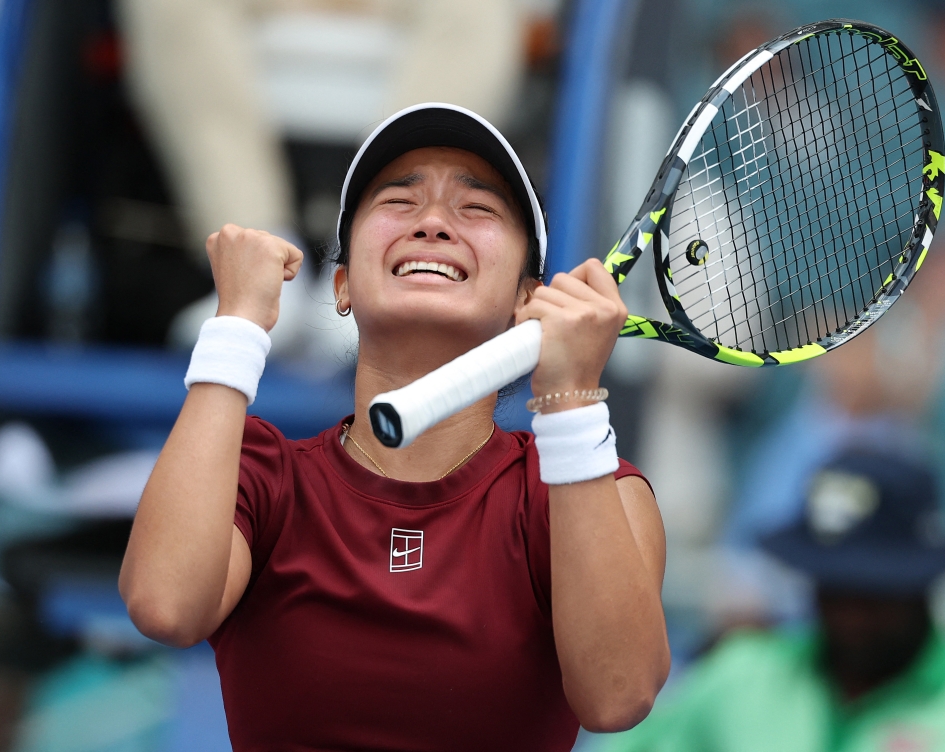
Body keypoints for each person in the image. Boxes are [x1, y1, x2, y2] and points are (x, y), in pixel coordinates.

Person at [118, 103, 670, 750]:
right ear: (344, 285)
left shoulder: (585, 491)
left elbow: (618, 695)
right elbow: (164, 606)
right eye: (400, 201)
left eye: (477, 209)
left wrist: (571, 400)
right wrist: (237, 324)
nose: (433, 222)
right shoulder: (260, 473)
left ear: (528, 299)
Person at [596, 450, 945, 752]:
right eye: (834, 589)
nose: (852, 617)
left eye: (874, 596)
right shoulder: (741, 676)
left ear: (922, 584)